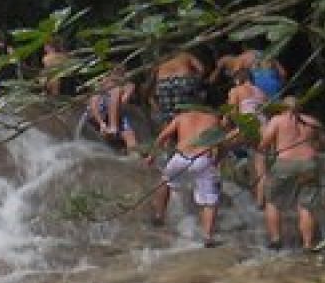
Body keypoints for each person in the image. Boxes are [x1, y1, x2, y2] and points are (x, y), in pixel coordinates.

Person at [256, 97, 325, 252]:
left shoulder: (277, 120)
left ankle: (276, 240)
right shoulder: (313, 122)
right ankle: (308, 244)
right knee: (306, 206)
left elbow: (264, 144)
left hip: (285, 164)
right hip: (309, 165)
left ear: (282, 107)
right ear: (300, 107)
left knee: (273, 202)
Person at [150, 105, 229, 245]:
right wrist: (217, 161)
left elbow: (163, 136)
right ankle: (207, 237)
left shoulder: (181, 117)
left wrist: (151, 155)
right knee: (210, 200)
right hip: (202, 159)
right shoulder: (214, 119)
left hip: (180, 157)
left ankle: (159, 215)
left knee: (164, 182)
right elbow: (221, 144)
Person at [86, 71, 139, 152]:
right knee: (116, 90)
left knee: (129, 137)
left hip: (115, 114)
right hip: (100, 114)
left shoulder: (128, 85)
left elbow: (122, 102)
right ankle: (113, 127)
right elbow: (93, 104)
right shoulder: (102, 85)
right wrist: (101, 123)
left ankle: (136, 157)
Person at [151, 50, 207, 123]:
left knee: (171, 114)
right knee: (192, 108)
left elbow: (153, 79)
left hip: (163, 84)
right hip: (182, 80)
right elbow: (201, 69)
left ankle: (176, 127)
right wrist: (196, 79)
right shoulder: (185, 55)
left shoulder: (162, 63)